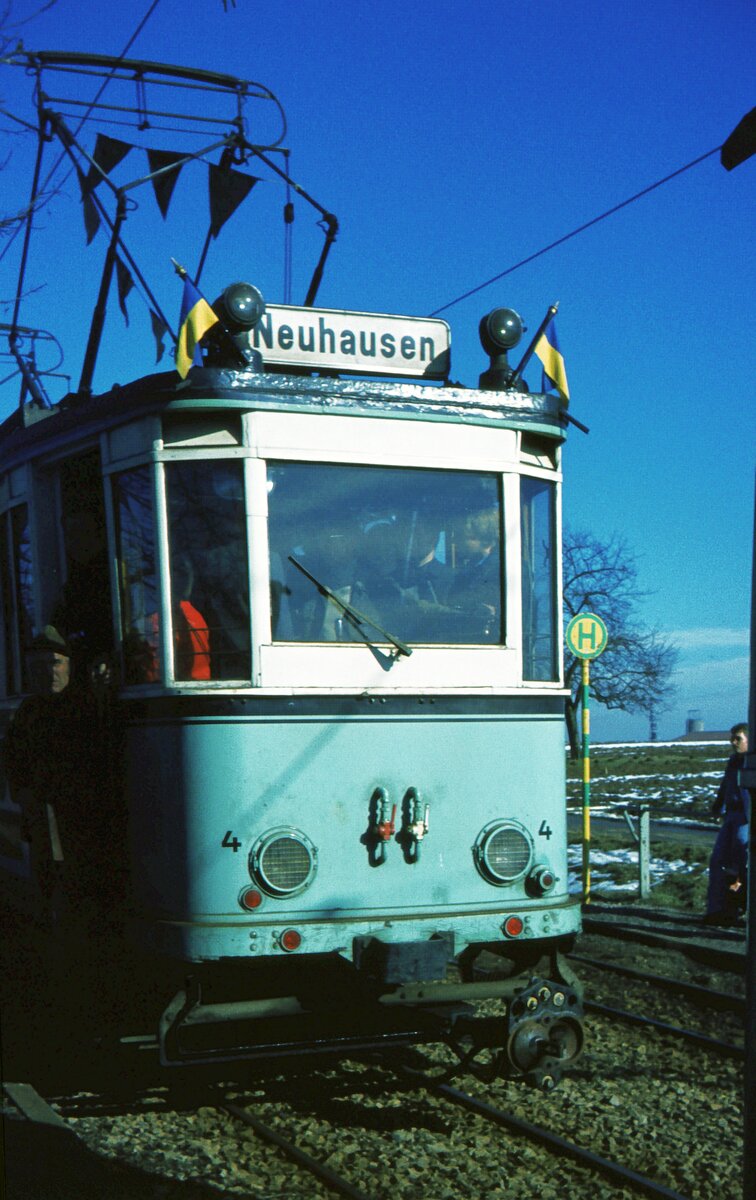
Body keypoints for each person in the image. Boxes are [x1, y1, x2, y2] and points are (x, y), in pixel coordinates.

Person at [705, 723, 749, 925]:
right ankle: (716, 909)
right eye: (732, 738)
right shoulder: (733, 761)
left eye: (738, 738)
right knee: (718, 861)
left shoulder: (750, 763)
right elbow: (726, 785)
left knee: (740, 864)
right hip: (731, 816)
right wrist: (718, 805)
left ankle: (738, 908)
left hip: (746, 819)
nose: (733, 742)